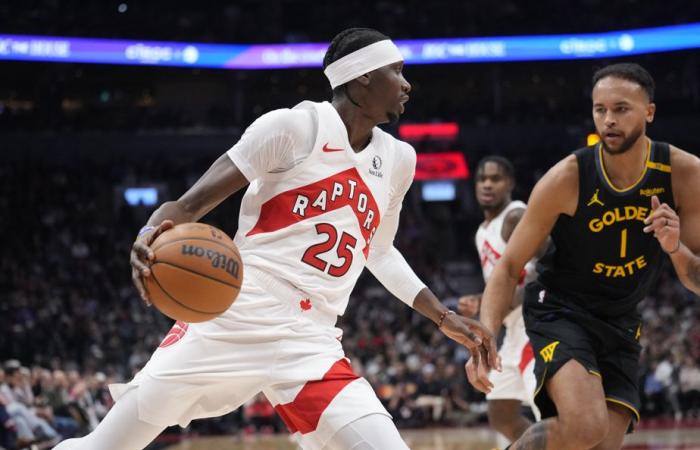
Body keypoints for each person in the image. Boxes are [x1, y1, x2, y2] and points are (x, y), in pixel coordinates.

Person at [55, 27, 497, 450]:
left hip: (312, 338)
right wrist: (150, 232)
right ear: (362, 76)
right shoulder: (293, 127)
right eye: (396, 71)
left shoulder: (400, 159)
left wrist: (442, 317)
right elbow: (189, 206)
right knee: (105, 445)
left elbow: (379, 252)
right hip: (235, 312)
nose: (407, 85)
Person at [467, 62, 700, 450]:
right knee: (585, 424)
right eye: (600, 109)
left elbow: (694, 278)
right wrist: (485, 337)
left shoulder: (684, 174)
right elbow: (508, 267)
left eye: (621, 109)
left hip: (621, 318)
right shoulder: (568, 177)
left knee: (602, 442)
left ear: (650, 112)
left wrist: (674, 247)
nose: (608, 120)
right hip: (560, 308)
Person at [459, 156, 541, 447]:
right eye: (482, 179)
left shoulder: (515, 216)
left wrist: (507, 302)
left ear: (511, 183)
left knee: (546, 411)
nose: (487, 184)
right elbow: (505, 282)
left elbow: (548, 266)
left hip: (537, 324)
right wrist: (484, 301)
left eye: (495, 178)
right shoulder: (483, 231)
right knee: (502, 413)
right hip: (513, 331)